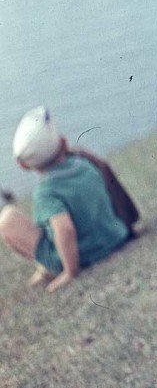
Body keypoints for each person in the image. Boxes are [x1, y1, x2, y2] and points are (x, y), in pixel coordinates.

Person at [1, 107, 132, 290]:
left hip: (85, 255)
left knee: (7, 220)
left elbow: (65, 229)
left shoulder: (46, 192)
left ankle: (51, 267)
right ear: (63, 142)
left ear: (23, 165)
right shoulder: (85, 164)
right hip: (114, 237)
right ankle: (47, 268)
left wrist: (70, 272)